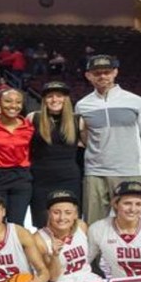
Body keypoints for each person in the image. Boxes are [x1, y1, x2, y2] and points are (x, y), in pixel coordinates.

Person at [77, 55, 141, 223]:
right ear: (88, 75)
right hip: (95, 173)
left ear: (115, 72)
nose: (102, 76)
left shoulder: (136, 101)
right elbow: (84, 137)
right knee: (93, 225)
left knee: (129, 224)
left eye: (107, 72)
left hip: (130, 171)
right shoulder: (82, 105)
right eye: (97, 73)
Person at [28, 82, 82, 229]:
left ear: (66, 99)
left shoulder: (78, 120)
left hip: (69, 178)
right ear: (44, 99)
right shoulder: (33, 118)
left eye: (59, 96)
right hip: (40, 179)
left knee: (69, 223)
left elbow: (91, 147)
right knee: (43, 223)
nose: (54, 99)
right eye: (50, 96)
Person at [0, 88, 33, 225]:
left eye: (18, 102)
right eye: (8, 101)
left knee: (17, 224)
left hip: (22, 177)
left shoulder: (28, 126)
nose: (13, 106)